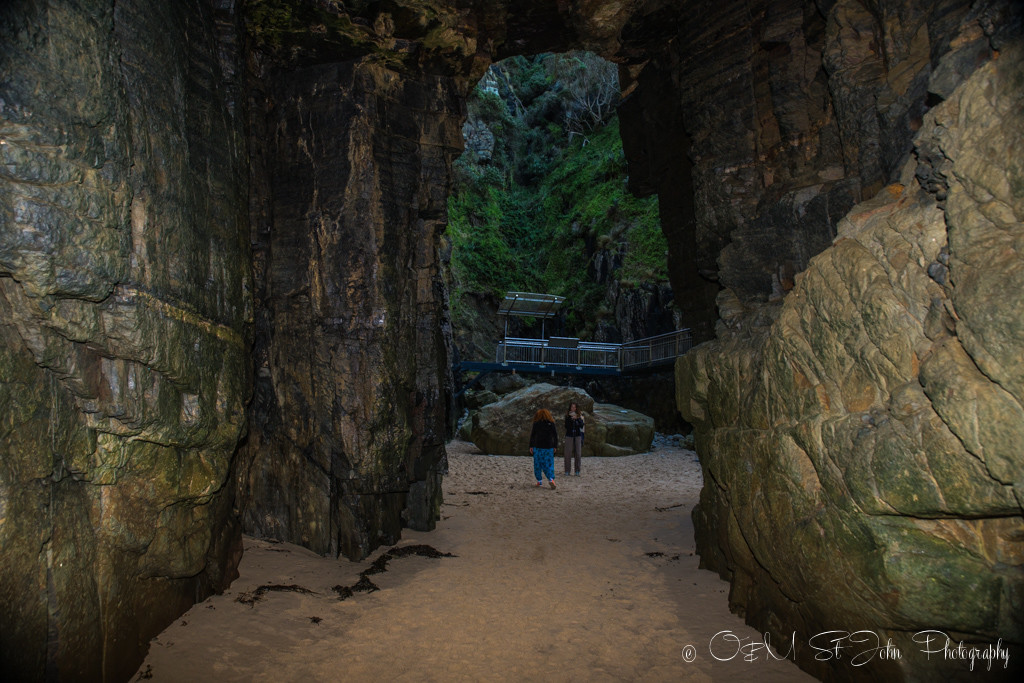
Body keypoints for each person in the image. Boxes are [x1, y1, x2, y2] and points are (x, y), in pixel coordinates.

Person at [529, 408, 558, 489]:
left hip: (538, 446)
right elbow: (555, 436)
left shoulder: (536, 423)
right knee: (549, 464)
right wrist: (555, 446)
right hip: (549, 447)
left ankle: (539, 481)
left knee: (538, 464)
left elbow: (533, 435)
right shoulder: (551, 423)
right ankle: (551, 479)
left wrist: (531, 446)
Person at [564, 402, 584, 476]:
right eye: (572, 407)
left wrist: (577, 419)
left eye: (575, 407)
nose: (573, 408)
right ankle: (567, 471)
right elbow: (566, 426)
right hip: (569, 435)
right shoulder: (567, 416)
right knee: (567, 453)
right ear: (570, 408)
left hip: (577, 435)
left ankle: (577, 471)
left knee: (578, 453)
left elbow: (582, 425)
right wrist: (571, 419)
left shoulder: (580, 416)